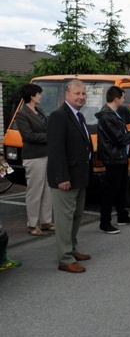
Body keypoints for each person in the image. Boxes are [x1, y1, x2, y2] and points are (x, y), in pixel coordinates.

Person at [47, 80, 93, 273]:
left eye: (83, 93)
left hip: (79, 175)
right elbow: (56, 149)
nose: (81, 96)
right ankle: (65, 259)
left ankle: (71, 249)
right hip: (66, 178)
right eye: (77, 93)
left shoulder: (79, 116)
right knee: (65, 219)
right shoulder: (58, 116)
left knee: (76, 215)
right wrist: (62, 177)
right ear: (67, 95)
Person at [95, 86, 130, 234]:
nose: (123, 100)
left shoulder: (113, 113)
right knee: (111, 190)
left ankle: (122, 216)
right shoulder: (107, 116)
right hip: (113, 157)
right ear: (116, 99)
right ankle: (105, 222)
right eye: (122, 98)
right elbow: (118, 138)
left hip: (119, 157)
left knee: (121, 188)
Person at [15, 83, 53, 236]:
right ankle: (32, 224)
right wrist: (50, 137)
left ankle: (46, 221)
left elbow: (47, 127)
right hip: (33, 157)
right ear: (31, 96)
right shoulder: (22, 114)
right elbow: (28, 135)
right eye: (38, 94)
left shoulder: (40, 111)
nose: (40, 96)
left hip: (46, 154)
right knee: (35, 191)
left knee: (47, 189)